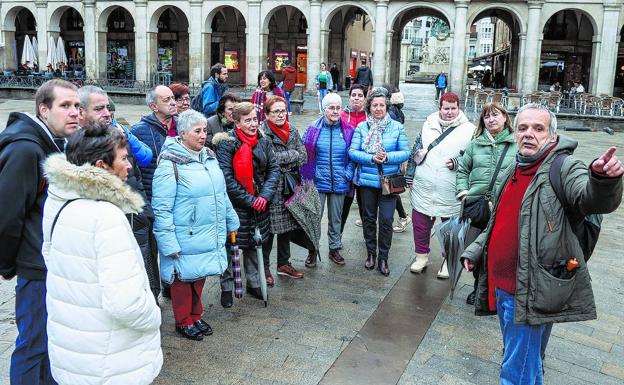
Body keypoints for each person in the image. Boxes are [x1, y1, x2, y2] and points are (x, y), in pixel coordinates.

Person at [461, 103, 623, 384]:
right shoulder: (514, 167)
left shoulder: (564, 167)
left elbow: (590, 199)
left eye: (538, 128)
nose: (528, 134)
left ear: (551, 135)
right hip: (502, 285)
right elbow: (499, 220)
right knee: (528, 359)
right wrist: (476, 249)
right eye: (523, 127)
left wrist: (602, 180)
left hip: (530, 288)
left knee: (516, 371)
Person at [41, 123, 162, 385]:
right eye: (123, 158)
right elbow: (126, 303)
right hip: (109, 358)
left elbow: (49, 255)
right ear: (101, 166)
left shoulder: (59, 198)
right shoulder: (105, 216)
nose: (129, 165)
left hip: (74, 349)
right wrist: (154, 316)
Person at [0, 79, 79, 385]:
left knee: (49, 344)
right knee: (34, 345)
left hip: (50, 264)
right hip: (35, 268)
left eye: (76, 106)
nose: (74, 112)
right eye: (65, 106)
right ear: (44, 109)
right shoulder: (25, 149)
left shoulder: (52, 143)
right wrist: (8, 265)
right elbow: (7, 216)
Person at [152, 110, 239, 340]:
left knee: (199, 274)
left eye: (205, 131)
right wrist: (168, 241)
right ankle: (183, 320)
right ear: (182, 133)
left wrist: (231, 219)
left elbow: (221, 193)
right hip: (184, 233)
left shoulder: (208, 156)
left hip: (206, 229)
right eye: (197, 131)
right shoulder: (170, 163)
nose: (203, 136)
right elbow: (161, 208)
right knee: (183, 279)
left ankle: (196, 314)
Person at [77, 86, 160, 301]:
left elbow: (137, 176)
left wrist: (145, 213)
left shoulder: (119, 137)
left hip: (137, 223)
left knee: (147, 282)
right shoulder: (77, 148)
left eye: (107, 107)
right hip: (110, 234)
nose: (107, 113)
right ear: (81, 112)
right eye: (99, 108)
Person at [215, 102, 280, 306]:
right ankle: (227, 287)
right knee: (230, 247)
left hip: (261, 204)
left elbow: (274, 169)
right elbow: (227, 179)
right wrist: (250, 200)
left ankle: (253, 282)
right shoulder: (227, 143)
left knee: (254, 244)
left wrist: (264, 197)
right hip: (236, 206)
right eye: (248, 120)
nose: (253, 124)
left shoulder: (263, 141)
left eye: (255, 119)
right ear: (236, 122)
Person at [406, 92, 475, 278]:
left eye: (454, 108)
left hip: (450, 186)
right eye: (446, 108)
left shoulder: (470, 129)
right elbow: (417, 149)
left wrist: (457, 162)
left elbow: (472, 156)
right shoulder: (427, 125)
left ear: (459, 109)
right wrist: (410, 175)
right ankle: (421, 256)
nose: (450, 112)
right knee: (420, 224)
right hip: (424, 183)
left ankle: (448, 259)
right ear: (440, 108)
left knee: (450, 227)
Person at [455, 102, 516, 305]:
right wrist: (464, 192)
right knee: (476, 250)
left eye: (495, 115)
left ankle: (494, 288)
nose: (491, 120)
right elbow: (463, 170)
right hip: (477, 205)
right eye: (487, 116)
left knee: (499, 250)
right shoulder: (475, 144)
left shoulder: (516, 144)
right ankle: (478, 288)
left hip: (505, 207)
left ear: (505, 117)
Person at [349, 88, 410, 276]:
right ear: (369, 107)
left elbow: (405, 152)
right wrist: (371, 158)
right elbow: (353, 152)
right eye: (374, 105)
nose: (378, 108)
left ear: (387, 107)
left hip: (388, 183)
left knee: (385, 220)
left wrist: (388, 156)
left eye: (381, 105)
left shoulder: (397, 127)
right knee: (368, 220)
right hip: (367, 182)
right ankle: (371, 254)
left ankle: (383, 258)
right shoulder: (362, 127)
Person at [301, 93, 355, 267]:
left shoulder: (348, 130)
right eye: (331, 107)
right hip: (317, 182)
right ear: (324, 109)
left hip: (340, 182)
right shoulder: (312, 129)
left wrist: (348, 174)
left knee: (336, 218)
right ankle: (312, 251)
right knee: (314, 218)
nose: (335, 111)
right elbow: (304, 155)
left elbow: (353, 156)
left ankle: (334, 248)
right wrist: (310, 177)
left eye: (338, 107)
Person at [262, 96, 312, 282]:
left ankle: (283, 263)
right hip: (271, 186)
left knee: (286, 227)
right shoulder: (262, 133)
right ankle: (264, 268)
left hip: (290, 185)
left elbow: (304, 157)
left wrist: (283, 158)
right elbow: (268, 160)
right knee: (268, 229)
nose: (280, 114)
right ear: (267, 114)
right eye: (276, 111)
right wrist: (291, 155)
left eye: (283, 110)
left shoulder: (292, 130)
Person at [131, 85, 178, 201]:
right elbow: (134, 172)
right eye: (166, 100)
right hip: (154, 196)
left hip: (182, 195)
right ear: (154, 106)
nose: (173, 103)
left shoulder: (184, 126)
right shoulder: (138, 131)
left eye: (173, 98)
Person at [340, 84, 368, 232]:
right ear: (349, 97)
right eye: (353, 95)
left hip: (365, 169)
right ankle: (336, 240)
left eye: (360, 95)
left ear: (365, 98)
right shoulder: (341, 116)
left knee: (366, 208)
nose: (356, 98)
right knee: (343, 207)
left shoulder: (369, 116)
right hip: (346, 168)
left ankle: (370, 243)